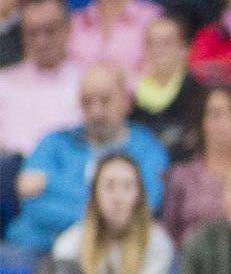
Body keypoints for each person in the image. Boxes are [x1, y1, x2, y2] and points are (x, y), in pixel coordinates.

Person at [5, 63, 169, 260]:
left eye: (105, 101)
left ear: (126, 101)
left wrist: (49, 183)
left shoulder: (147, 149)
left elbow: (143, 206)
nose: (96, 111)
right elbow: (34, 206)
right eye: (87, 102)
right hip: (38, 249)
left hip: (116, 253)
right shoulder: (53, 143)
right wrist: (108, 210)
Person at [50, 151, 173, 274]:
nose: (118, 198)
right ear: (94, 195)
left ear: (139, 196)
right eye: (109, 186)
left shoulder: (158, 243)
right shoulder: (69, 243)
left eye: (127, 187)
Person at [161, 85, 231, 243]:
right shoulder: (181, 176)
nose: (224, 123)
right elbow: (168, 234)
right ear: (201, 121)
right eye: (215, 114)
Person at [0, 0, 87, 163]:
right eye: (33, 33)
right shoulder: (3, 83)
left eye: (49, 30)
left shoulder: (86, 82)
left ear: (67, 28)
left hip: (69, 169)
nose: (41, 41)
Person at [131, 12, 205, 159]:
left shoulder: (197, 92)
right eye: (152, 43)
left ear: (185, 49)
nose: (158, 50)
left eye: (167, 43)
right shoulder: (132, 95)